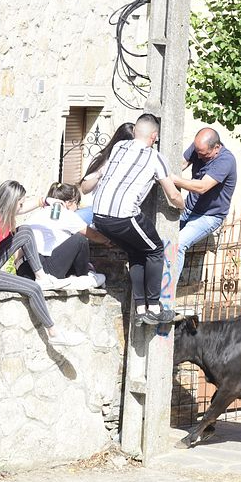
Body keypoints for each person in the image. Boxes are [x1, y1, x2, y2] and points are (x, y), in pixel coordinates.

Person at [83, 113, 185, 325]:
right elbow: (173, 195)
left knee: (136, 251)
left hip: (99, 215)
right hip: (123, 216)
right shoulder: (155, 157)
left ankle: (140, 309)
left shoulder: (119, 147)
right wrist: (183, 207)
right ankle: (155, 309)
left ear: (135, 131)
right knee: (156, 250)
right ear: (154, 136)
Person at [0, 180, 85, 347]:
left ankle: (41, 276)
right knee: (33, 288)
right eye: (20, 203)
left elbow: (32, 205)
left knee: (25, 230)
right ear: (11, 203)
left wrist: (47, 201)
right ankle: (53, 333)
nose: (23, 206)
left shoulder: (4, 214)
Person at [171, 127, 237, 283]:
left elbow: (202, 187)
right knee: (164, 240)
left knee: (178, 244)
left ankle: (166, 296)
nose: (199, 156)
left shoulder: (225, 160)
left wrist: (174, 179)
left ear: (216, 148)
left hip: (209, 216)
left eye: (204, 154)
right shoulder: (199, 148)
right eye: (197, 152)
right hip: (188, 208)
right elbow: (179, 164)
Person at [17, 182, 108, 289]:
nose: (77, 208)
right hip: (43, 270)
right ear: (70, 203)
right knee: (80, 240)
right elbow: (94, 236)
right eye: (77, 204)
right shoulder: (65, 214)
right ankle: (84, 277)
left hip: (24, 271)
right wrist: (108, 241)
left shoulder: (38, 214)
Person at [78, 122, 135, 225]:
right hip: (98, 211)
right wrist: (99, 175)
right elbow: (84, 189)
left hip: (123, 213)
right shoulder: (103, 159)